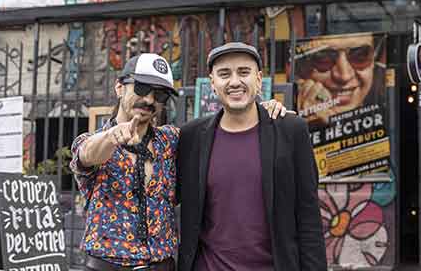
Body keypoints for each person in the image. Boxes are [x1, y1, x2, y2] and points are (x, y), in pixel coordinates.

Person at [69, 52, 287, 271]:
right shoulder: (90, 142)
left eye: (160, 94)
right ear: (119, 87)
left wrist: (259, 110)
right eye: (141, 88)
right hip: (107, 266)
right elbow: (87, 155)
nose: (149, 100)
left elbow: (218, 131)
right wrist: (111, 137)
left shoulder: (171, 140)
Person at [177, 42, 326, 271]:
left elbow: (308, 217)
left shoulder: (290, 130)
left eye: (243, 72)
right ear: (213, 84)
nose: (234, 81)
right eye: (224, 74)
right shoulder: (191, 137)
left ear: (258, 79)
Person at [295, 33, 385, 127]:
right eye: (323, 58)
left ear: (374, 60)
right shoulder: (284, 111)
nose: (344, 76)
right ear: (299, 67)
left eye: (360, 55)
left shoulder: (393, 101)